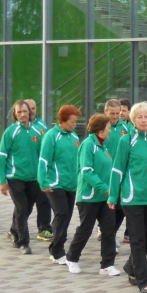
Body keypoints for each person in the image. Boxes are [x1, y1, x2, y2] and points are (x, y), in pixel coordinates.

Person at [108, 102, 147, 293]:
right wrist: (113, 195)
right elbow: (117, 169)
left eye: (146, 116)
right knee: (138, 240)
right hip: (132, 198)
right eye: (139, 117)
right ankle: (143, 280)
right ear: (133, 119)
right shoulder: (127, 140)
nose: (143, 120)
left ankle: (131, 267)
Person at [66, 113, 121, 276]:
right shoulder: (88, 145)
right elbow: (86, 171)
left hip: (105, 198)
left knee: (109, 229)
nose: (110, 131)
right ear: (100, 130)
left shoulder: (104, 146)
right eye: (108, 128)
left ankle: (107, 264)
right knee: (85, 229)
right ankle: (72, 258)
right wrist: (103, 187)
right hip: (89, 197)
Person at [0, 100, 42, 255]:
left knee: (26, 208)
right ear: (15, 115)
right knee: (22, 207)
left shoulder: (39, 130)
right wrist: (2, 181)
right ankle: (23, 242)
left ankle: (13, 231)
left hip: (34, 178)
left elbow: (44, 155)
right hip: (15, 177)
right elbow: (1, 158)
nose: (23, 115)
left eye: (25, 111)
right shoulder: (10, 132)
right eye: (19, 112)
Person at [39, 105, 81, 265]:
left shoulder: (75, 137)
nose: (74, 124)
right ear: (62, 121)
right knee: (61, 213)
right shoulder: (51, 136)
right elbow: (44, 160)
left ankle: (57, 247)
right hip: (55, 183)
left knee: (67, 215)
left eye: (75, 122)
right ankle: (57, 250)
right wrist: (43, 181)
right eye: (71, 121)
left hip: (71, 184)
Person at [25, 98, 53, 242]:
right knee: (25, 205)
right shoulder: (18, 128)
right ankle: (15, 228)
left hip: (41, 172)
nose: (30, 111)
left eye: (33, 108)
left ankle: (45, 228)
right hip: (24, 174)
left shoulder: (42, 126)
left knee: (44, 201)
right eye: (27, 108)